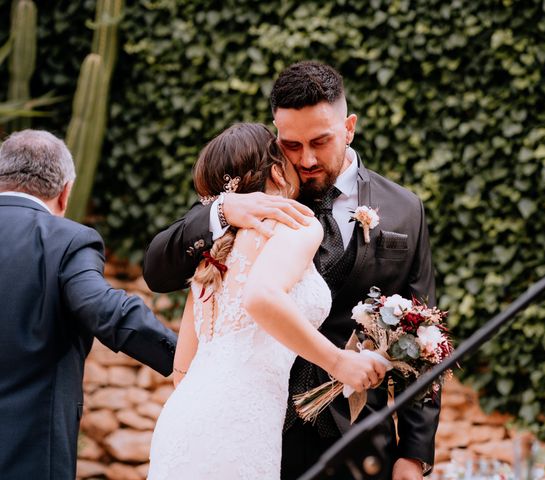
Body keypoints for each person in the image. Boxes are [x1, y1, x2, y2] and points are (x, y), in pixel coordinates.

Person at [144, 62, 439, 480]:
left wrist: (414, 453)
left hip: (350, 440)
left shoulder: (404, 210)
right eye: (292, 145)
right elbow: (158, 272)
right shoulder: (239, 203)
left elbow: (423, 335)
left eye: (321, 141)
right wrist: (222, 210)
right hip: (254, 431)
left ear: (349, 127)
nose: (307, 159)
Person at [147, 122, 387, 479]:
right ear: (277, 170)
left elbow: (182, 371)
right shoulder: (295, 223)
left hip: (184, 418)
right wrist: (339, 362)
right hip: (243, 422)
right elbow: (260, 297)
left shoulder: (208, 257)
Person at [0, 130, 177, 480]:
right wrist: (185, 359)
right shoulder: (65, 240)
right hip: (29, 455)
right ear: (65, 192)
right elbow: (104, 308)